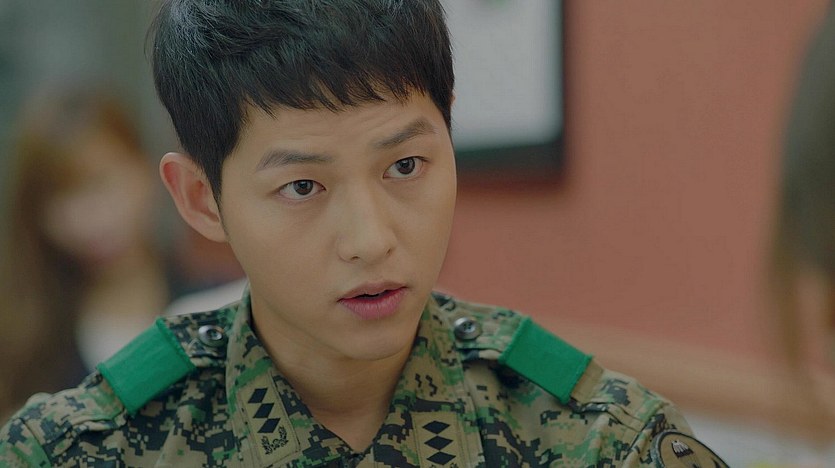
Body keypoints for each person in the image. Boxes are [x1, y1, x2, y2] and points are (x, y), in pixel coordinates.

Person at [0, 1, 726, 465]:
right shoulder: (84, 450)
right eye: (302, 187)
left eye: (405, 166)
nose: (370, 239)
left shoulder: (600, 440)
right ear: (202, 199)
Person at [0, 87, 170, 421]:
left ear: (145, 170)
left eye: (101, 183)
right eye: (61, 196)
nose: (88, 217)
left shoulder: (215, 301)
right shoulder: (23, 331)